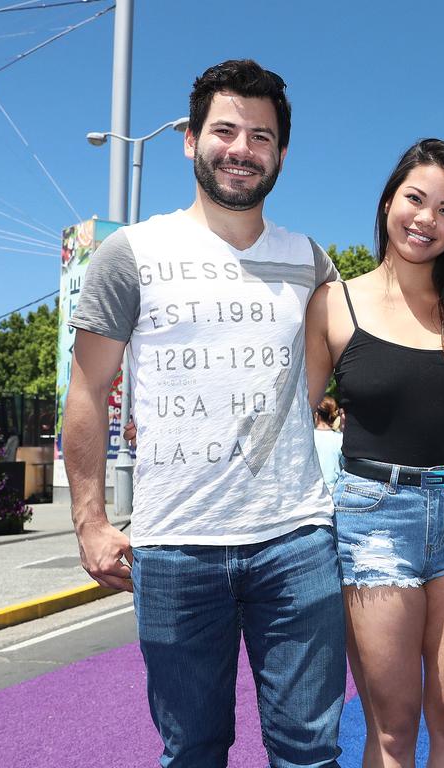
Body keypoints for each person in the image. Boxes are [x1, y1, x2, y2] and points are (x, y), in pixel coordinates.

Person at [64, 60, 346, 767]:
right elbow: (87, 394)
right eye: (225, 130)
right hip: (174, 548)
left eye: (261, 135)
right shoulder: (129, 255)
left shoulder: (313, 263)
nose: (242, 149)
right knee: (192, 750)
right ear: (190, 140)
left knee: (310, 752)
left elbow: (313, 386)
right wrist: (91, 521)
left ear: (280, 151)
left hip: (296, 542)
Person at [305, 138, 444, 767]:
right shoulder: (333, 302)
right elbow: (293, 419)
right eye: (416, 199)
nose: (427, 219)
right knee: (392, 726)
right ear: (389, 199)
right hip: (373, 522)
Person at [314, 395, 344, 486]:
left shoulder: (308, 438)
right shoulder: (340, 438)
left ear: (316, 415)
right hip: (334, 491)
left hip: (312, 491)